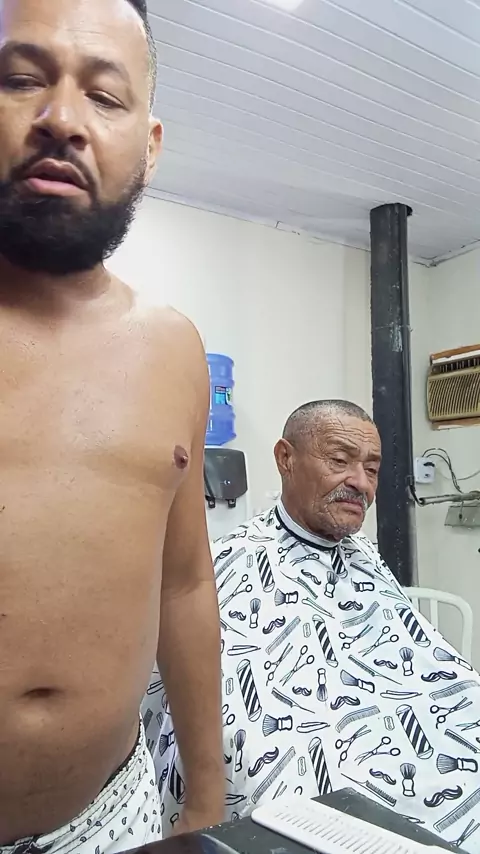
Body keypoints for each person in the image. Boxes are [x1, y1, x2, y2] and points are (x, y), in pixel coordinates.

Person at [0, 0, 224, 850]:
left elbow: (184, 585)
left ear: (150, 144)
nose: (61, 119)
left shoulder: (174, 349)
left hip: (111, 819)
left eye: (104, 95)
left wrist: (206, 797)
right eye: (21, 79)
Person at [150, 400, 480, 853]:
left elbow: (426, 662)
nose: (360, 483)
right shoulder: (231, 561)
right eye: (340, 461)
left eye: (372, 469)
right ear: (286, 459)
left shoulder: (364, 556)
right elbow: (216, 702)